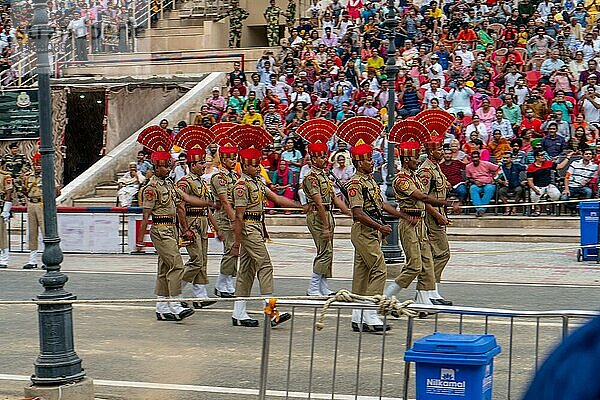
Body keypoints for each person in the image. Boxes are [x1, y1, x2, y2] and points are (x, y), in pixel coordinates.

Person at [338, 120, 416, 332]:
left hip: (371, 230)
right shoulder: (355, 183)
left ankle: (357, 316)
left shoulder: (370, 181)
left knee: (362, 273)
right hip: (364, 231)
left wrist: (400, 215)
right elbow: (358, 213)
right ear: (357, 162)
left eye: (371, 159)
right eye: (367, 160)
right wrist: (381, 228)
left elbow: (380, 203)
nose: (372, 162)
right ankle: (371, 314)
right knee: (379, 269)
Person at [229, 126, 298, 327]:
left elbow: (275, 198)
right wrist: (237, 243)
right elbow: (239, 217)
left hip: (256, 226)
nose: (258, 166)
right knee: (265, 265)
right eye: (253, 164)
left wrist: (300, 206)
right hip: (249, 228)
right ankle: (271, 310)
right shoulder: (242, 186)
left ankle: (238, 313)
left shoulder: (257, 181)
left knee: (247, 271)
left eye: (258, 162)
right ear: (244, 164)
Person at [136, 126, 206, 321]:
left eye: (169, 166)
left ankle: (161, 306)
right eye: (166, 166)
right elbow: (145, 215)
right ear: (157, 167)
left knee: (164, 268)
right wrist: (140, 242)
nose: (169, 169)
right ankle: (175, 303)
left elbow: (181, 206)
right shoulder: (151, 188)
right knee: (176, 264)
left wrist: (184, 229)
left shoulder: (169, 184)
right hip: (160, 229)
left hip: (172, 229)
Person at [385, 139, 460, 307]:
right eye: (415, 158)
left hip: (420, 222)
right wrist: (448, 205)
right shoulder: (402, 179)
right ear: (406, 160)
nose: (418, 160)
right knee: (414, 266)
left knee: (426, 261)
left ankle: (424, 299)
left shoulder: (414, 177)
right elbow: (423, 197)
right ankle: (386, 296)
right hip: (410, 222)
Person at [299, 124, 350, 296]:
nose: (323, 159)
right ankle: (313, 287)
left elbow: (335, 198)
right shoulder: (311, 178)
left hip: (327, 213)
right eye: (319, 157)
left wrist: (350, 213)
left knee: (329, 251)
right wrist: (326, 225)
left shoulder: (324, 176)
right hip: (318, 215)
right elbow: (319, 203)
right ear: (312, 159)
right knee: (324, 251)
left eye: (324, 156)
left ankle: (322, 285)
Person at [174, 128, 221, 309]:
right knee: (196, 260)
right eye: (201, 163)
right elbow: (180, 207)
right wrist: (185, 229)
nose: (204, 165)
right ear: (192, 165)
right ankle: (175, 291)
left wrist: (215, 227)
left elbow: (206, 206)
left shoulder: (201, 182)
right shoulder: (184, 182)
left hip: (202, 222)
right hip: (192, 223)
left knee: (203, 260)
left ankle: (200, 295)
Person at [417, 136, 460, 305]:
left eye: (442, 148)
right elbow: (423, 198)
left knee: (437, 255)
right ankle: (428, 291)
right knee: (442, 253)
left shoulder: (436, 168)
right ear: (430, 151)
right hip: (431, 217)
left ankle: (432, 291)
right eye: (438, 149)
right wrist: (439, 215)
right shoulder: (426, 171)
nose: (441, 151)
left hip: (439, 213)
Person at [210, 135, 240, 298]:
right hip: (225, 217)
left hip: (234, 214)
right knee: (230, 249)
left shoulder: (234, 176)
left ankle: (225, 281)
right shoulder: (218, 177)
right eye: (229, 158)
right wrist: (234, 220)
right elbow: (225, 201)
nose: (233, 161)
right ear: (222, 158)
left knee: (234, 250)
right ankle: (222, 284)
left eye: (234, 158)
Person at [526, 149, 571, 216]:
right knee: (534, 196)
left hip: (548, 185)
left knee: (556, 195)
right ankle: (537, 210)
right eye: (541, 155)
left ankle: (549, 206)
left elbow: (560, 166)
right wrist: (534, 189)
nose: (543, 156)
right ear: (536, 157)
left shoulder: (548, 163)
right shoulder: (531, 167)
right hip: (537, 186)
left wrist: (568, 157)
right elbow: (530, 181)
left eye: (543, 155)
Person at [466, 151, 500, 217]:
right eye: (473, 158)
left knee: (490, 188)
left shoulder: (486, 164)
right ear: (471, 158)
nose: (475, 159)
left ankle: (481, 210)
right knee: (473, 188)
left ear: (479, 158)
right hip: (477, 183)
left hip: (488, 183)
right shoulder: (468, 167)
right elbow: (468, 178)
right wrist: (474, 181)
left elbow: (498, 169)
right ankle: (480, 209)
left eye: (476, 157)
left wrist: (495, 178)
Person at [0, 159, 11, 268]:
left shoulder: (5, 176)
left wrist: (6, 209)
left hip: (0, 207)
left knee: (1, 234)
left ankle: (4, 258)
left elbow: (9, 193)